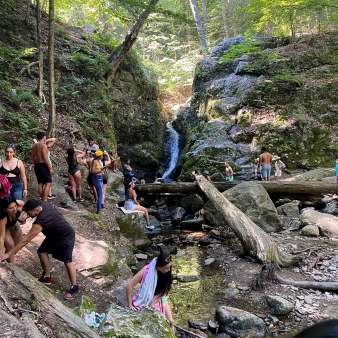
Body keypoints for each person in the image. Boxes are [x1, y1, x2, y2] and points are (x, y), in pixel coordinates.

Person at [0, 199, 78, 300]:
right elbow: (28, 207)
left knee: (67, 261)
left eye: (28, 213)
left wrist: (9, 254)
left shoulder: (40, 222)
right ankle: (47, 277)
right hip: (53, 235)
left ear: (36, 211)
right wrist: (27, 215)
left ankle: (74, 287)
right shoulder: (41, 204)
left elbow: (25, 240)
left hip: (65, 236)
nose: (27, 215)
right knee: (41, 252)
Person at [126, 252, 175, 333]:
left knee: (171, 322)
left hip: (159, 298)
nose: (169, 270)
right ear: (159, 267)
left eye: (170, 267)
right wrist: (130, 305)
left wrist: (153, 303)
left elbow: (164, 290)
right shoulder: (147, 270)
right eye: (166, 268)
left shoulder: (167, 271)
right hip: (145, 300)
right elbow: (129, 286)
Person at [0, 196, 24, 263]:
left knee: (18, 245)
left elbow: (26, 208)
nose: (14, 209)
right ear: (5, 209)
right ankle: (12, 266)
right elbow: (1, 238)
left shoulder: (19, 204)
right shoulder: (2, 218)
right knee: (10, 246)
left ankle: (7, 259)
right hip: (4, 227)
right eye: (11, 208)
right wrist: (0, 254)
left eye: (15, 206)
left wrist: (23, 217)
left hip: (14, 224)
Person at [31, 131, 54, 201]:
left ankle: (42, 198)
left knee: (40, 183)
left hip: (37, 165)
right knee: (48, 183)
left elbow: (32, 157)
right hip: (43, 165)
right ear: (43, 137)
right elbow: (45, 157)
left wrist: (35, 164)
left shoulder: (34, 146)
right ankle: (45, 200)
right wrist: (50, 167)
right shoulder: (43, 146)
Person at [90, 150, 105, 215]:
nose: (102, 156)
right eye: (102, 155)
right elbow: (92, 171)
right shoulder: (95, 161)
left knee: (101, 193)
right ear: (99, 156)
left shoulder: (99, 161)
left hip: (100, 178)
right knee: (100, 195)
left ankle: (99, 209)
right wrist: (100, 171)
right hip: (96, 178)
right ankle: (99, 210)